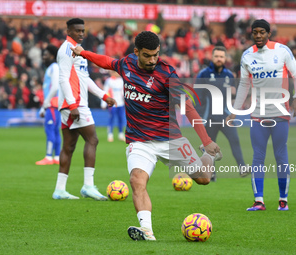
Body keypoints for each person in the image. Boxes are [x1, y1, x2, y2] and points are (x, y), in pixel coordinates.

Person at [71, 31, 221, 241]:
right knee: (136, 181)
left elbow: (187, 107)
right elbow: (107, 62)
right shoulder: (127, 64)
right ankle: (147, 231)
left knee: (203, 179)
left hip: (170, 139)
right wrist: (83, 53)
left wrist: (206, 141)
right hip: (140, 140)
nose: (152, 60)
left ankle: (209, 154)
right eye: (147, 55)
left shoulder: (167, 74)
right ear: (136, 52)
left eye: (156, 55)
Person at [226, 19, 296, 211]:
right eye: (255, 32)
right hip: (258, 116)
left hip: (280, 114)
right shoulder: (246, 56)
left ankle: (283, 200)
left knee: (280, 156)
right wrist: (234, 112)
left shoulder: (282, 50)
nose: (258, 35)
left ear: (269, 34)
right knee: (258, 157)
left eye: (262, 32)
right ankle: (259, 201)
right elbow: (244, 85)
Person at [52, 18, 116, 200]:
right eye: (77, 30)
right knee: (92, 139)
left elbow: (85, 78)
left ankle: (59, 190)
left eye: (83, 30)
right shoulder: (66, 50)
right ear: (69, 31)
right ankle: (88, 186)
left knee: (69, 146)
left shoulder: (79, 51)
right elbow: (63, 78)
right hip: (75, 104)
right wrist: (72, 105)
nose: (81, 33)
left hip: (73, 104)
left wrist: (103, 95)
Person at [195, 46, 249, 180]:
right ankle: (211, 173)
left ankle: (242, 168)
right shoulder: (203, 74)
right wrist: (200, 117)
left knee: (235, 140)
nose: (219, 59)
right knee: (210, 147)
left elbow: (232, 96)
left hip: (225, 117)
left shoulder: (229, 75)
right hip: (209, 117)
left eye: (221, 56)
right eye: (216, 56)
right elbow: (198, 98)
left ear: (225, 59)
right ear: (212, 57)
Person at [36, 44, 61, 165]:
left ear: (52, 55)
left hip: (51, 105)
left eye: (45, 55)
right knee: (55, 131)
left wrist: (45, 104)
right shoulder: (52, 68)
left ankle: (48, 157)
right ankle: (56, 157)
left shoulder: (54, 67)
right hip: (54, 105)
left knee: (50, 130)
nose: (43, 57)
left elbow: (55, 86)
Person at [101, 70, 125, 142]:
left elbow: (124, 91)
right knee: (111, 119)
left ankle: (121, 134)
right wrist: (103, 103)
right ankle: (110, 135)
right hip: (112, 103)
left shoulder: (122, 80)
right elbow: (105, 91)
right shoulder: (109, 81)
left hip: (121, 103)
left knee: (121, 118)